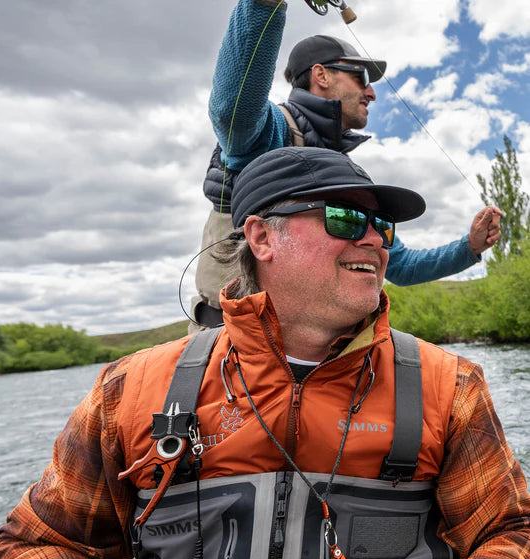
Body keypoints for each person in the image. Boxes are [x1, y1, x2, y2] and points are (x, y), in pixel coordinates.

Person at [0, 146, 529, 559]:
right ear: (262, 238)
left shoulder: (449, 385)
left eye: (381, 226)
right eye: (344, 218)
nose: (373, 240)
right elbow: (35, 546)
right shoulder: (130, 388)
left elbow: (515, 533)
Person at [192, 0, 502, 328]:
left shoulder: (343, 170)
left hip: (315, 352)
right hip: (231, 346)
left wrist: (469, 248)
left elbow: (402, 267)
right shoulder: (269, 132)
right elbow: (232, 110)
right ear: (321, 75)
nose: (372, 93)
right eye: (361, 78)